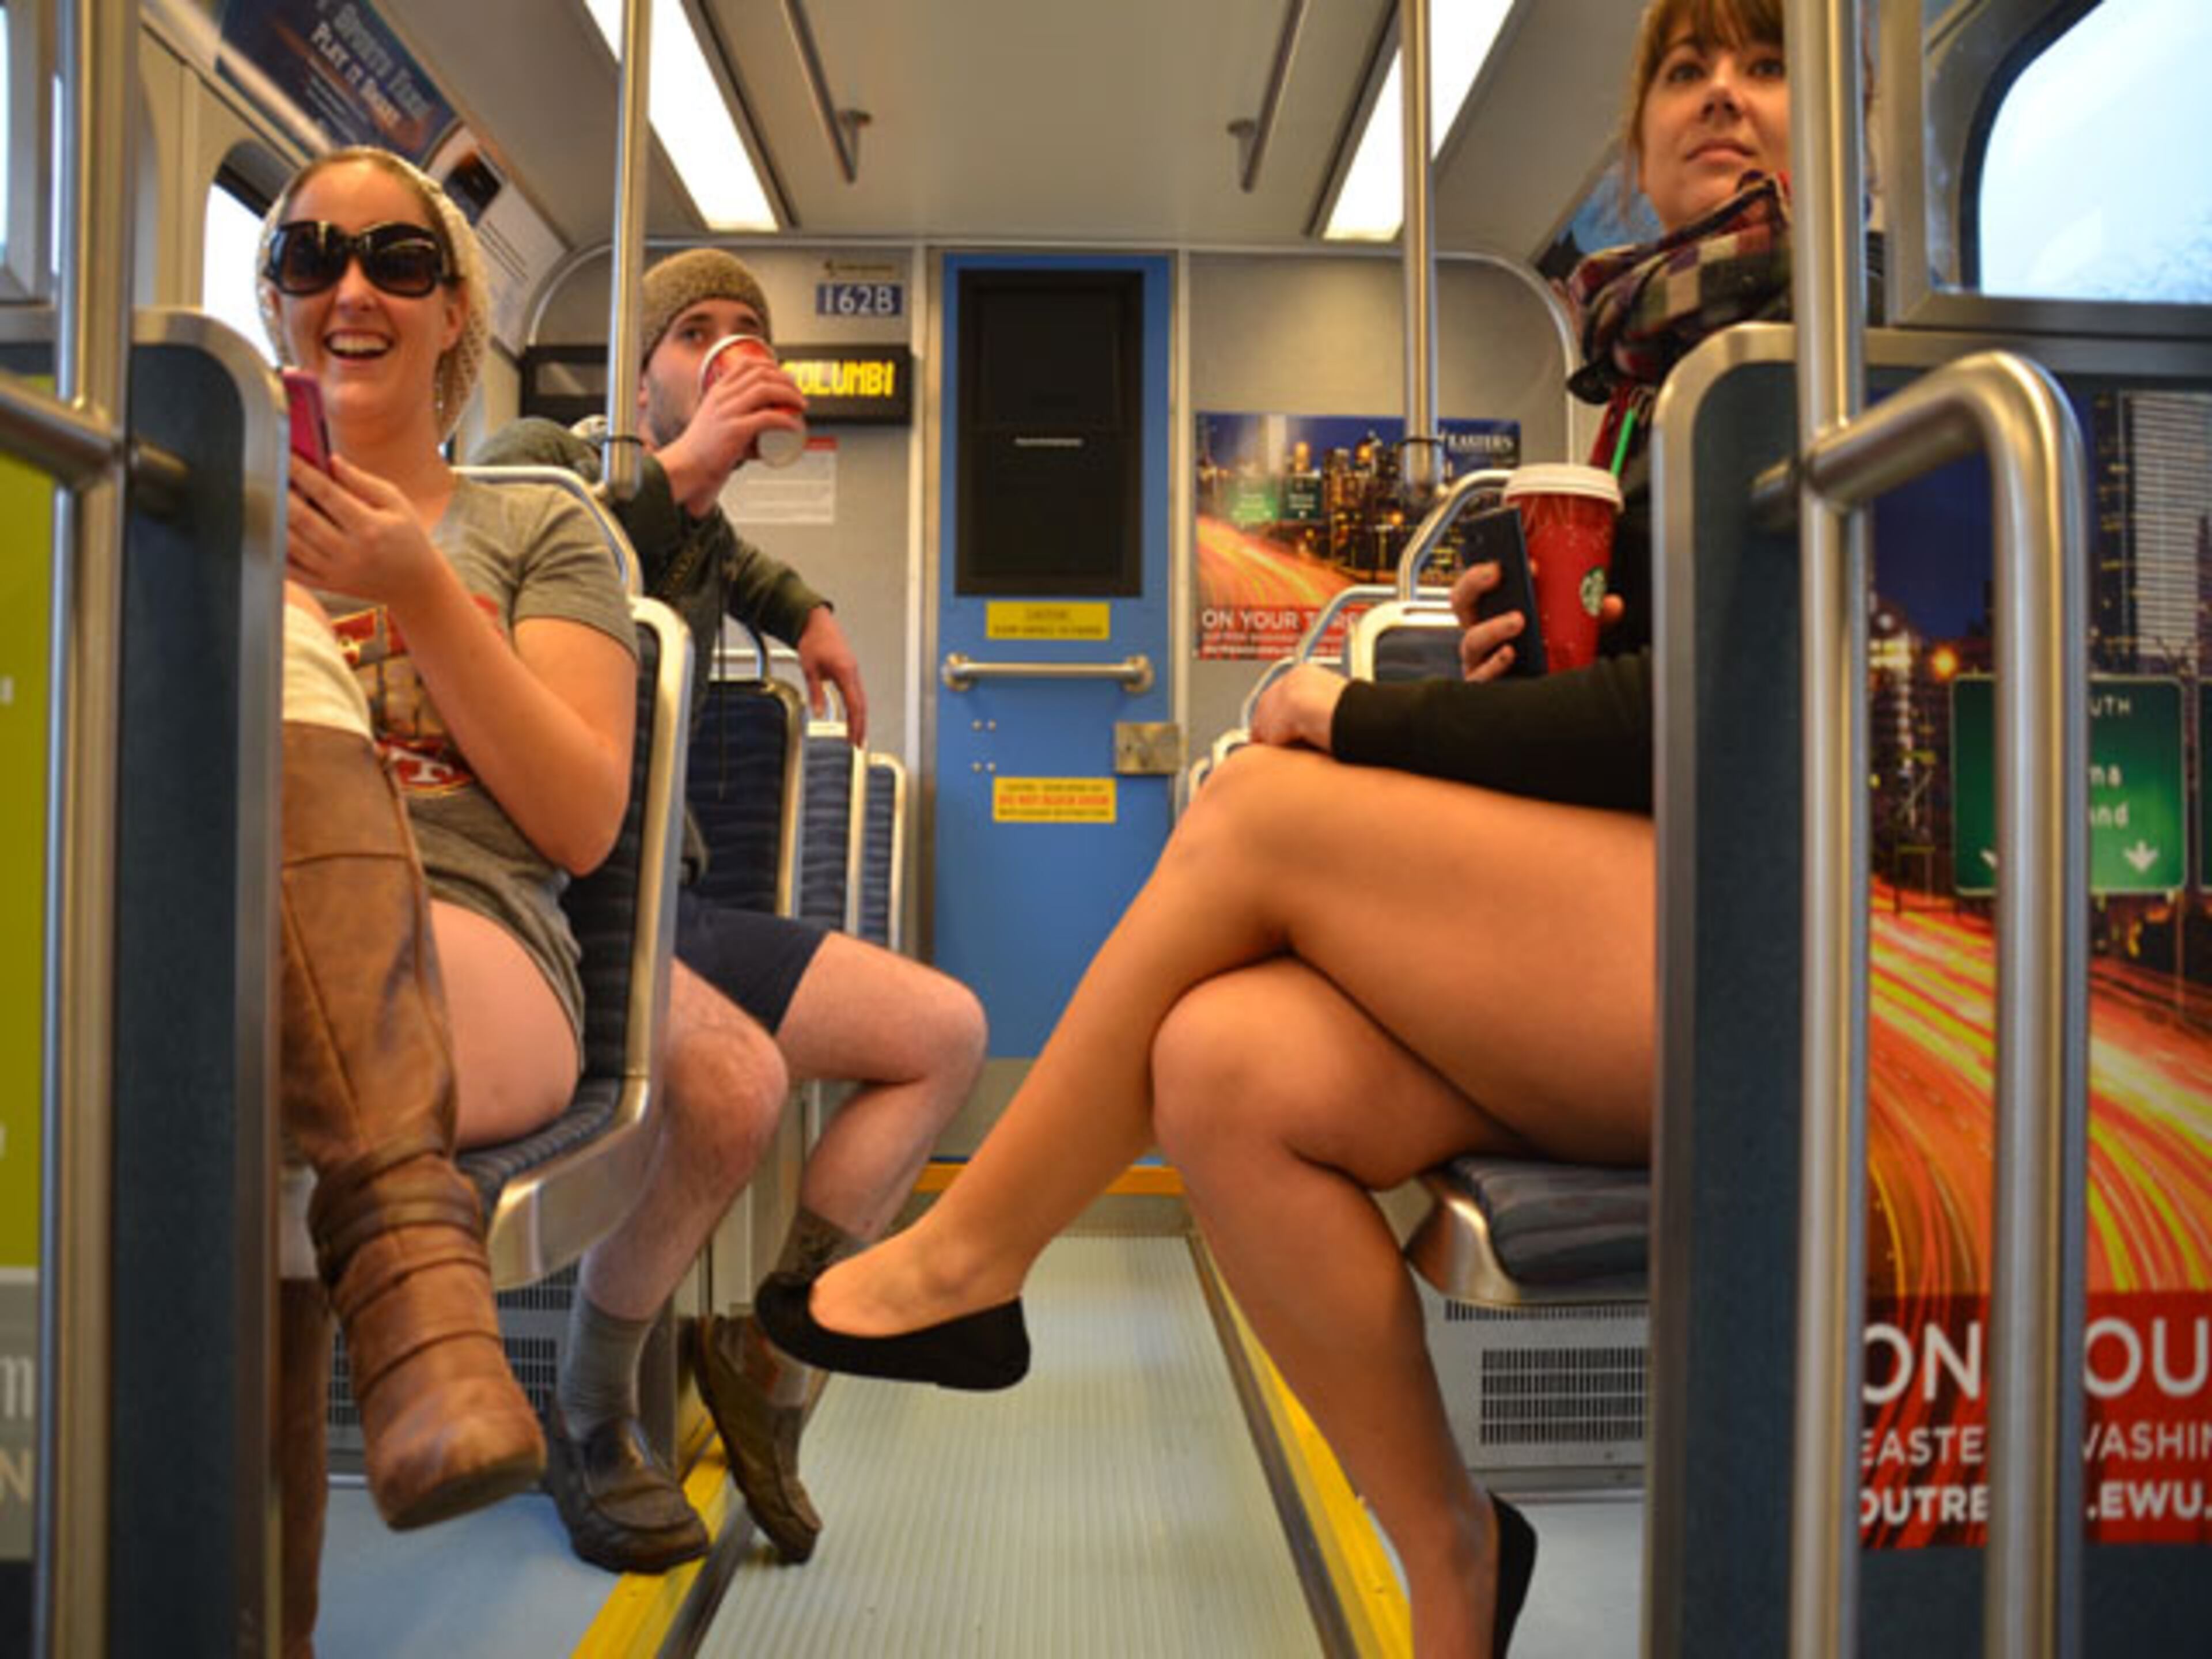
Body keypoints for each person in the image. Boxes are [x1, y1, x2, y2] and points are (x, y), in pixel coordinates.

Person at [752, 2, 1795, 1653]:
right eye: (1689, 68)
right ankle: (1452, 1556)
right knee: (1225, 1068)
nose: (1723, 99)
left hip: (1786, 956)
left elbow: (1700, 737)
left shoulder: (1798, 371)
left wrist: (1369, 712)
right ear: (1639, 134)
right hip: (1655, 923)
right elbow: (1650, 714)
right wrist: (1509, 662)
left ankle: (975, 1255)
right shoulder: (1659, 382)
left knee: (1258, 807)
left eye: (1766, 63)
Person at [475, 249, 986, 1570]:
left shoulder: (693, 520)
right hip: (560, 894)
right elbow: (565, 546)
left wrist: (810, 610)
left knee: (943, 1032)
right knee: (740, 1087)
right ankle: (588, 1412)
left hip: (673, 898)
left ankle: (769, 1349)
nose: (719, 347)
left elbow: (727, 563)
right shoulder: (543, 457)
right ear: (642, 372)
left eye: (744, 332)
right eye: (690, 332)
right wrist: (691, 461)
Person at [259, 148, 640, 1656]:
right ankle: (415, 1310)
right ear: (275, 293)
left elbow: (583, 819)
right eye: (312, 255)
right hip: (227, 942)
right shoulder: (186, 507)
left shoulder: (535, 532)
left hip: (472, 948)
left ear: (454, 315)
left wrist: (415, 589)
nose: (353, 289)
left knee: (214, 1085)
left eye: (400, 262)